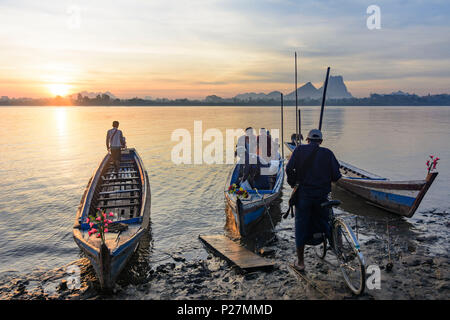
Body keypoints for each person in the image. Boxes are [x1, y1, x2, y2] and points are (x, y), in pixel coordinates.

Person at [285, 129, 341, 271]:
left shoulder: (299, 150)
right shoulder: (327, 153)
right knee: (328, 220)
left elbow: (289, 168)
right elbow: (336, 176)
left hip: (304, 195)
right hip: (322, 196)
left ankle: (301, 262)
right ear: (321, 142)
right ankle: (339, 250)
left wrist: (293, 183)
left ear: (307, 140)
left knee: (301, 226)